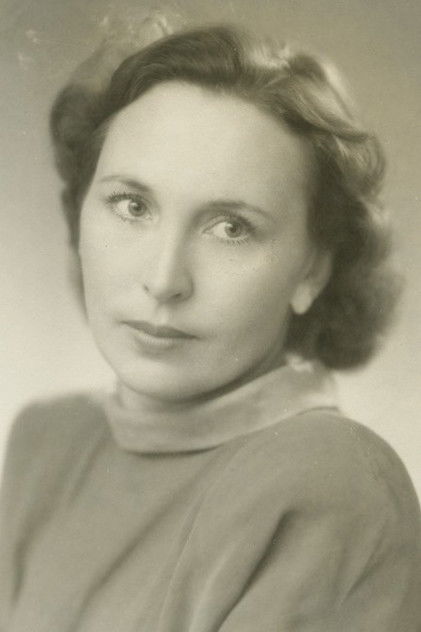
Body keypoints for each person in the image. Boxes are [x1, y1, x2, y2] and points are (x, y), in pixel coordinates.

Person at [0, 18, 420, 632]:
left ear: (313, 269)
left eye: (231, 228)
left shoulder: (330, 484)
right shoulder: (46, 443)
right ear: (80, 214)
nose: (164, 279)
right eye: (132, 205)